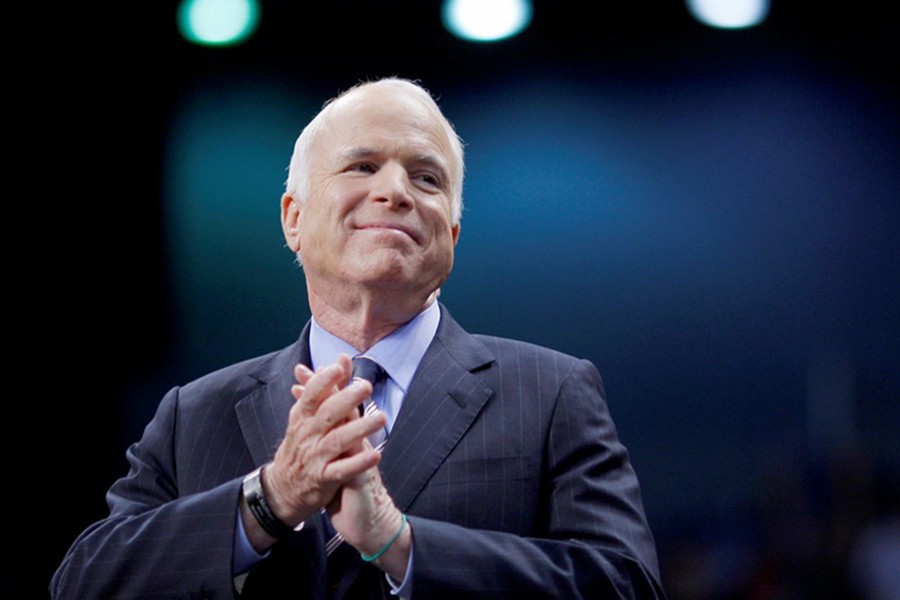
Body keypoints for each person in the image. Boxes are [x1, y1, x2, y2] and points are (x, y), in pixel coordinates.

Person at [52, 77, 666, 599]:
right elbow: (84, 581)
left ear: (451, 233)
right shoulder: (194, 415)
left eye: (426, 178)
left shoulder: (552, 392)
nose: (395, 191)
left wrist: (401, 545)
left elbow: (626, 583)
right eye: (363, 166)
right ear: (294, 218)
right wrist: (269, 500)